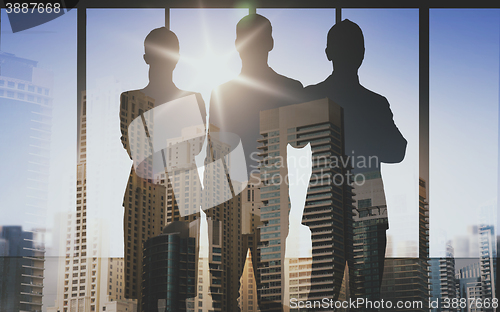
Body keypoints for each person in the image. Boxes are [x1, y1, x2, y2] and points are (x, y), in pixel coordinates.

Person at [304, 19, 407, 304]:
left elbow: (295, 139)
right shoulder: (375, 104)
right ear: (362, 54)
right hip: (367, 205)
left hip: (327, 204)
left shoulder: (313, 95)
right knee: (366, 298)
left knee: (322, 296)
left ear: (328, 53)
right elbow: (397, 151)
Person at [209, 14, 304, 312]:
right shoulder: (289, 88)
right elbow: (300, 141)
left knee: (225, 298)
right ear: (271, 43)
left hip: (233, 200)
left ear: (237, 44)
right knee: (270, 298)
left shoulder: (222, 93)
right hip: (267, 201)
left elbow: (215, 152)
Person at [119, 27, 206, 310]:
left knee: (177, 289)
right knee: (146, 286)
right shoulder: (129, 99)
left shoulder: (193, 99)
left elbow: (195, 146)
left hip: (181, 197)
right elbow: (135, 149)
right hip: (144, 197)